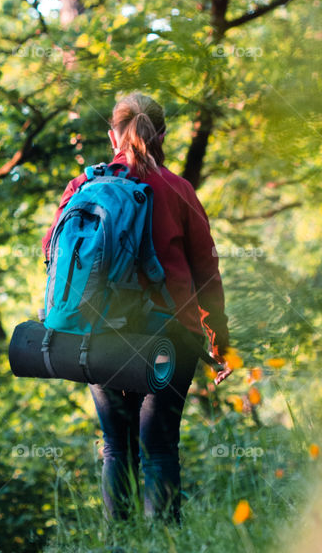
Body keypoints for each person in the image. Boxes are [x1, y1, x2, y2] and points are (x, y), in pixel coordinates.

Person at [42, 91, 232, 522]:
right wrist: (220, 340)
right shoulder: (178, 189)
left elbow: (51, 250)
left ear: (113, 136)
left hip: (99, 331)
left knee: (116, 446)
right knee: (160, 447)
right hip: (171, 333)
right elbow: (206, 273)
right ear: (161, 134)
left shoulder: (83, 187)